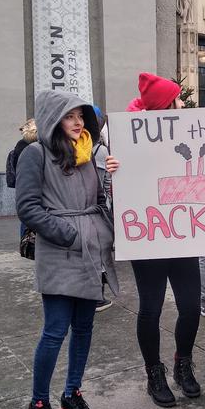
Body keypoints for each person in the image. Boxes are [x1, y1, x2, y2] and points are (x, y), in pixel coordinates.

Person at [16, 90, 118, 409]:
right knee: (55, 330)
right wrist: (69, 234)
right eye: (69, 116)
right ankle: (38, 403)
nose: (77, 122)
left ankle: (71, 392)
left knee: (85, 328)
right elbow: (28, 208)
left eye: (80, 116)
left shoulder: (88, 153)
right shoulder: (35, 154)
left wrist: (109, 182)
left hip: (92, 252)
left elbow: (99, 199)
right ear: (52, 119)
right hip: (60, 253)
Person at [107, 72, 203, 409]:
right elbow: (114, 194)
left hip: (183, 235)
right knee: (150, 308)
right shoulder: (124, 141)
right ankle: (154, 372)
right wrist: (112, 172)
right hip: (148, 237)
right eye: (178, 99)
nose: (183, 103)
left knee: (191, 306)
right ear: (166, 105)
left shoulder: (187, 133)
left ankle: (182, 362)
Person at [91, 105, 113, 313]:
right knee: (99, 253)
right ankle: (97, 296)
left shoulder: (83, 147)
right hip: (98, 209)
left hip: (92, 208)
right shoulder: (100, 150)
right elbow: (103, 183)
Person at [11, 118, 38, 239]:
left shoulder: (20, 144)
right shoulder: (37, 146)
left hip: (23, 184)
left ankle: (25, 239)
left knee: (26, 214)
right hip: (36, 184)